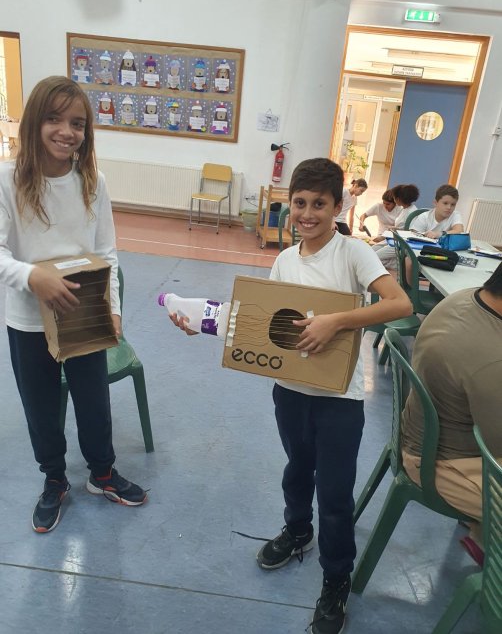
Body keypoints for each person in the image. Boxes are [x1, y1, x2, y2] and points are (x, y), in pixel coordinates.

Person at [168, 158, 412, 634]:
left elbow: (399, 303)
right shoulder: (285, 259)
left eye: (319, 204)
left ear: (337, 206)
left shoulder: (352, 254)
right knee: (297, 469)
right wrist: (206, 325)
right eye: (299, 203)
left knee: (335, 494)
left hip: (339, 400)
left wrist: (336, 321)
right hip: (290, 392)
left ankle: (336, 578)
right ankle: (298, 529)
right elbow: (261, 322)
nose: (307, 213)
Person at [0, 76, 147, 534]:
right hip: (29, 320)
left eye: (78, 123)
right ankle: (54, 479)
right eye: (54, 119)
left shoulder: (92, 182)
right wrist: (33, 278)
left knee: (94, 400)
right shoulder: (7, 179)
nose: (67, 132)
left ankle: (102, 473)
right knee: (41, 407)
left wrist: (113, 309)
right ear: (34, 122)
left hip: (85, 315)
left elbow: (107, 252)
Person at [401, 262, 502, 563]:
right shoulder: (490, 359)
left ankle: (482, 535)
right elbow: (497, 446)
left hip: (426, 430)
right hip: (441, 463)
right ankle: (489, 540)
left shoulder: (466, 298)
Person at [375, 183, 420, 269]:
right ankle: (395, 263)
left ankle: (399, 265)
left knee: (375, 257)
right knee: (372, 250)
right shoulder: (404, 209)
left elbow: (410, 232)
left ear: (398, 199)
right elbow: (402, 227)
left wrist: (393, 229)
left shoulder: (412, 212)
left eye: (394, 197)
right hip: (394, 238)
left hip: (401, 242)